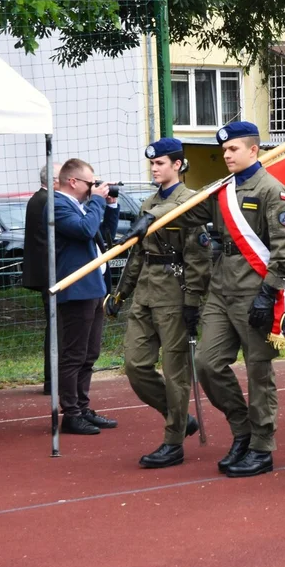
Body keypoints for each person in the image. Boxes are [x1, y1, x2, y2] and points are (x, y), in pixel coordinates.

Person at [133, 122, 285, 476]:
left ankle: (261, 447)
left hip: (255, 289)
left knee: (258, 371)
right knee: (207, 364)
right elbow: (187, 212)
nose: (226, 155)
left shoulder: (272, 190)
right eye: (224, 151)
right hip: (222, 289)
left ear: (253, 150)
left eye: (233, 149)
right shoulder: (222, 189)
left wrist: (268, 293)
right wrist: (149, 220)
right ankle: (242, 429)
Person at [104, 139, 211, 468]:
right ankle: (178, 416)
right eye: (152, 163)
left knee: (176, 371)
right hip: (146, 293)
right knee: (135, 365)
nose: (154, 168)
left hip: (174, 294)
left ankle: (173, 441)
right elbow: (139, 253)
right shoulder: (149, 202)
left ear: (177, 165)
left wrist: (193, 302)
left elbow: (199, 259)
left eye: (161, 163)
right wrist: (121, 292)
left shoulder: (190, 203)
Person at [53, 158, 120, 435]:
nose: (93, 188)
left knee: (90, 354)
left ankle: (82, 406)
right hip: (76, 288)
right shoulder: (56, 205)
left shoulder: (80, 206)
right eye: (90, 183)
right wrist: (97, 202)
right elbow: (84, 230)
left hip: (94, 287)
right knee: (74, 354)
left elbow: (103, 234)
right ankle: (70, 413)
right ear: (73, 182)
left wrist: (111, 205)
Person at [23, 163, 59, 396]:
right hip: (52, 276)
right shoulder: (46, 201)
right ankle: (53, 380)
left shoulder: (40, 199)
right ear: (54, 179)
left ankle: (54, 379)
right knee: (56, 328)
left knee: (56, 327)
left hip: (47, 274)